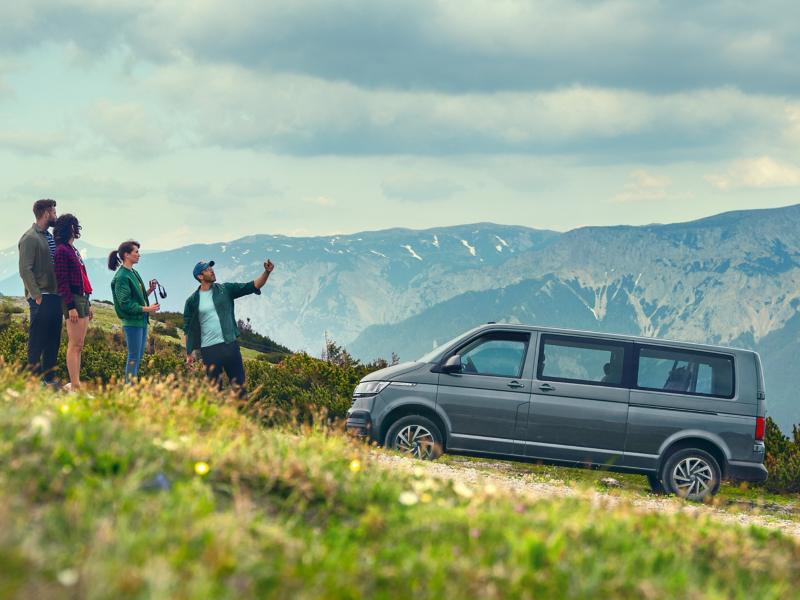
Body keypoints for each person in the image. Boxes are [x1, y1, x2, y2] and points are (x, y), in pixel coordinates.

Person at [184, 259, 275, 396]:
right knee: (215, 393)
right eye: (207, 269)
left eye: (211, 268)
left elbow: (253, 286)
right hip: (209, 351)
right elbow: (187, 328)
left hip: (230, 347)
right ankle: (222, 418)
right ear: (200, 277)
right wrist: (188, 352)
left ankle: (241, 417)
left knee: (240, 390)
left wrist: (267, 272)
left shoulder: (225, 289)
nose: (212, 270)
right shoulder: (192, 301)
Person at [18, 199, 63, 386]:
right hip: (41, 297)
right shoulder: (29, 238)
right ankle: (34, 383)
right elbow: (24, 269)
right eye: (54, 213)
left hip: (55, 297)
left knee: (53, 341)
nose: (56, 216)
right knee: (37, 341)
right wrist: (36, 295)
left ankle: (49, 380)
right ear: (46, 214)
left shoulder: (49, 236)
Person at [108, 241, 161, 384]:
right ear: (127, 254)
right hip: (132, 321)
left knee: (138, 356)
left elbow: (136, 298)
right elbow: (125, 304)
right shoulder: (122, 277)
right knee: (133, 357)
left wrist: (149, 290)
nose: (139, 254)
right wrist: (148, 309)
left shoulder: (133, 273)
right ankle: (130, 389)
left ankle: (132, 387)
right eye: (136, 252)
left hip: (140, 320)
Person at [53, 214, 93, 393]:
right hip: (74, 299)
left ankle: (76, 384)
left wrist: (88, 303)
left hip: (83, 297)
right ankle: (75, 386)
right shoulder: (61, 250)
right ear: (70, 227)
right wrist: (70, 306)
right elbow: (61, 280)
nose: (77, 228)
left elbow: (82, 277)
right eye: (75, 225)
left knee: (80, 345)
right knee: (74, 344)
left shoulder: (72, 249)